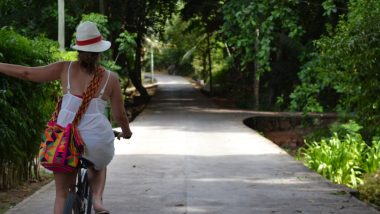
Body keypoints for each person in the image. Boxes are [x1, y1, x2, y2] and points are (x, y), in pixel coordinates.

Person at [0, 21, 132, 214]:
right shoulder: (110, 78)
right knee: (100, 164)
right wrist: (126, 132)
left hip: (65, 142)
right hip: (97, 139)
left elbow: (27, 73)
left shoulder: (65, 69)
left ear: (78, 50)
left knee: (61, 194)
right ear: (99, 52)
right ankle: (97, 201)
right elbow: (119, 114)